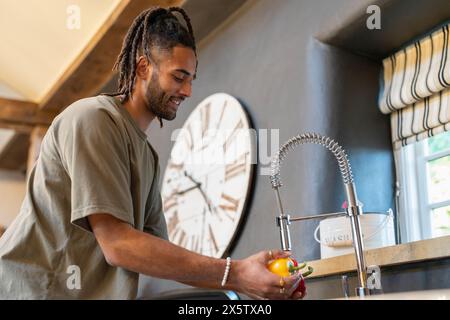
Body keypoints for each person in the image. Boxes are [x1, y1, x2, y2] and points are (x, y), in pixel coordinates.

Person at [0, 7, 303, 300]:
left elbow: (158, 255)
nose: (187, 91)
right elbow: (118, 244)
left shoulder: (147, 156)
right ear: (144, 67)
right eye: (178, 77)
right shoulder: (92, 119)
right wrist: (235, 273)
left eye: (191, 80)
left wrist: (251, 278)